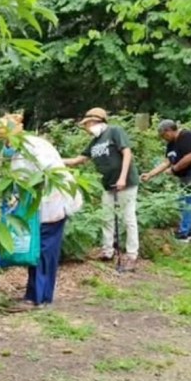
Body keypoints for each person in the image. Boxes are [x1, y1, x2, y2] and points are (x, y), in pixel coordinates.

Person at [0, 114, 82, 308]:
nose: (6, 145)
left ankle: (37, 297)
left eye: (6, 140)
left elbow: (46, 175)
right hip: (39, 204)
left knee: (44, 249)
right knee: (37, 247)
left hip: (52, 201)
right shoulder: (21, 149)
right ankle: (36, 294)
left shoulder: (33, 148)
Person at [64, 107, 140, 272]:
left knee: (128, 218)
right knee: (106, 217)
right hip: (108, 185)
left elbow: (127, 153)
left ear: (96, 121)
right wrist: (55, 159)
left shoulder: (114, 131)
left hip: (125, 182)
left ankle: (132, 255)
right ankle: (107, 251)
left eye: (87, 124)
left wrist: (122, 177)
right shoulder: (95, 141)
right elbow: (78, 160)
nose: (86, 128)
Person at [141, 119, 191, 242]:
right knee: (182, 200)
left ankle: (184, 234)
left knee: (190, 198)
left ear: (169, 131)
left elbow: (189, 157)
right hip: (188, 172)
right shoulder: (171, 143)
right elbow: (167, 162)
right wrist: (150, 174)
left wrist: (174, 169)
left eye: (163, 135)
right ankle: (188, 232)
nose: (162, 138)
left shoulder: (186, 137)